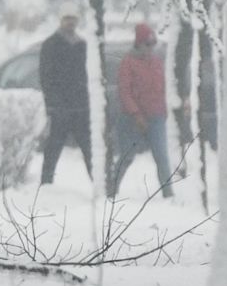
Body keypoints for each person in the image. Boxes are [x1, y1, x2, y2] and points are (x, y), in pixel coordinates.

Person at [107, 21, 177, 199]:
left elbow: (162, 88)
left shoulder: (157, 62)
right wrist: (135, 114)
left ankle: (168, 194)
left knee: (161, 156)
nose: (150, 48)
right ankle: (111, 190)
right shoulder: (128, 63)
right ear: (139, 44)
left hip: (156, 116)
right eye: (147, 44)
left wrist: (164, 110)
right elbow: (125, 91)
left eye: (153, 44)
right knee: (127, 156)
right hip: (131, 119)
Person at [36, 13, 93, 185]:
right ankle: (46, 184)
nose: (71, 22)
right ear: (61, 20)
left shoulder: (82, 45)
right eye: (67, 19)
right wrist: (51, 103)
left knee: (89, 148)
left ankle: (99, 186)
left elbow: (88, 74)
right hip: (59, 107)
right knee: (53, 148)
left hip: (80, 107)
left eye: (74, 19)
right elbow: (45, 76)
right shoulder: (51, 44)